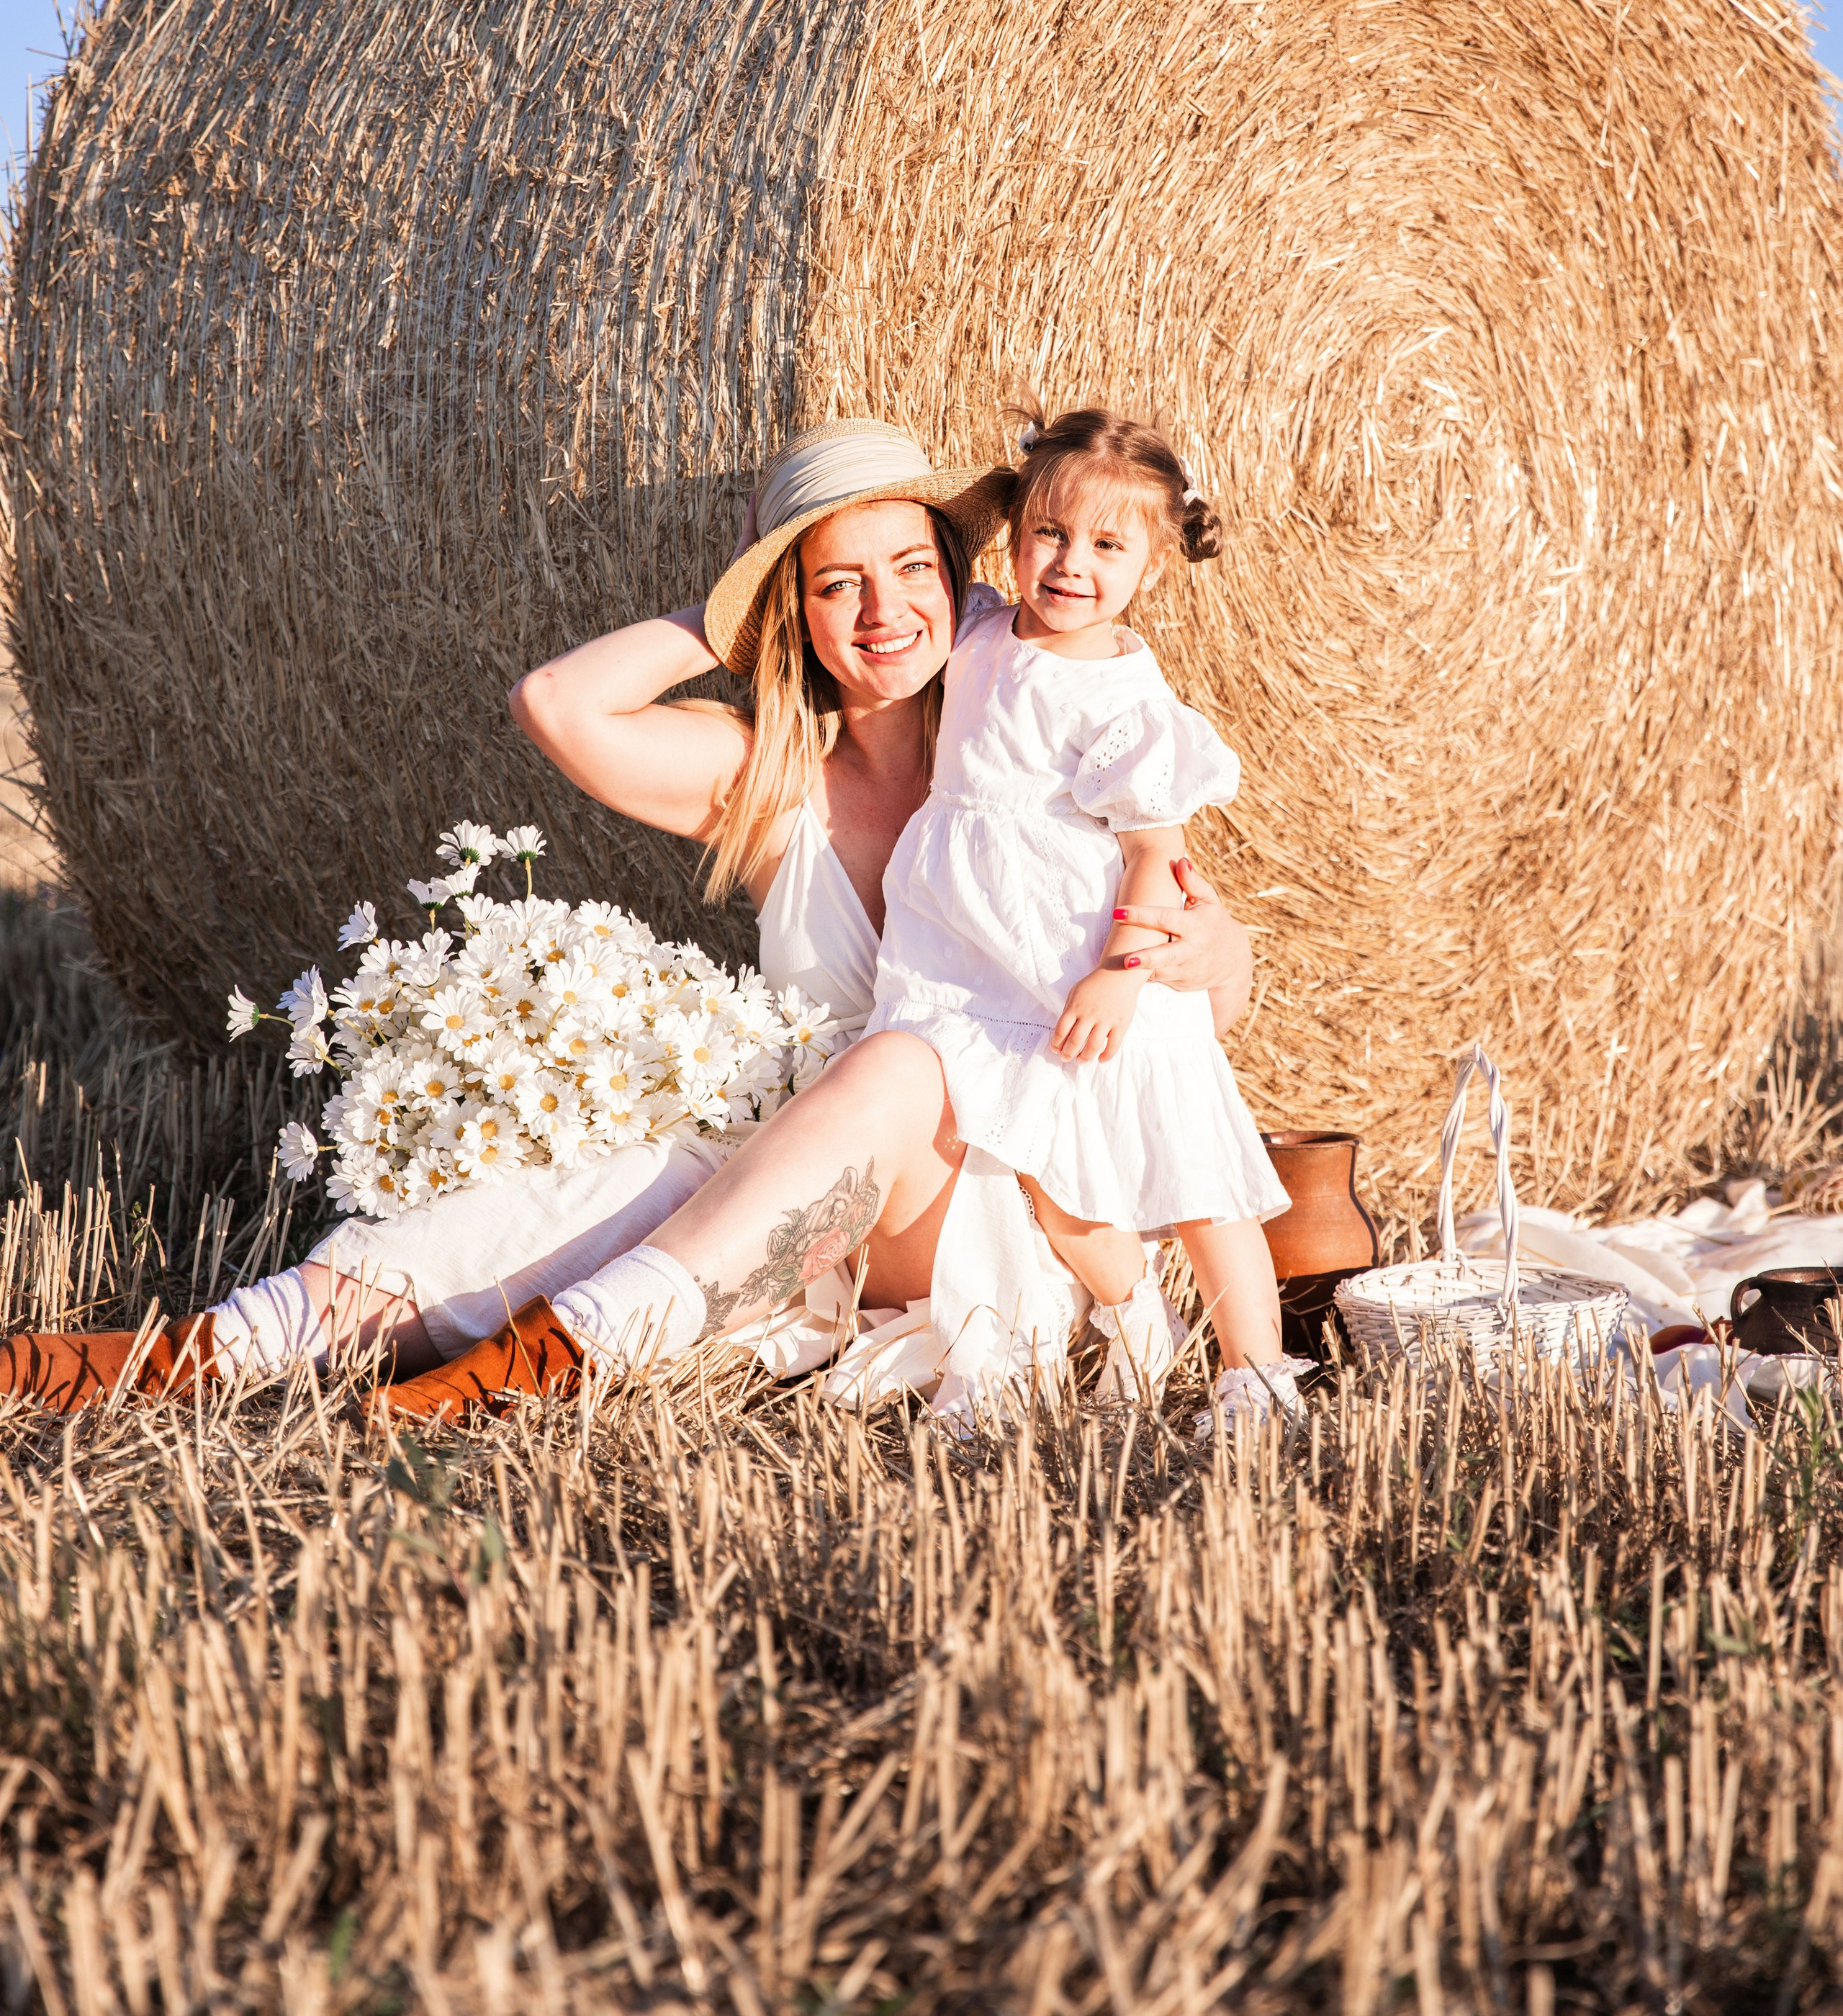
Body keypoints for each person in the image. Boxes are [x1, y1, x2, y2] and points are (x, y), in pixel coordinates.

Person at [0, 419, 1254, 1418]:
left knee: (901, 1062)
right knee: (589, 1192)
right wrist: (736, 602)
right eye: (837, 586)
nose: (883, 612)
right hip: (788, 1181)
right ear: (796, 613)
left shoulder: (1052, 760)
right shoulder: (763, 775)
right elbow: (558, 702)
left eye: (913, 570)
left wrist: (1204, 949)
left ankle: (575, 1349)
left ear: (961, 575)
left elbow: (1206, 996)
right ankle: (202, 1351)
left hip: (989, 1201)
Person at [866, 405, 1312, 1428]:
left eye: (1109, 546)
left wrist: (1120, 972)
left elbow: (1160, 855)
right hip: (981, 952)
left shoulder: (1124, 698)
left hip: (1093, 964)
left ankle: (1255, 1372)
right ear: (1015, 538)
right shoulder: (979, 626)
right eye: (1049, 535)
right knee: (1052, 1181)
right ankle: (1134, 1315)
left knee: (1196, 1179)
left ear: (1151, 568)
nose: (1071, 564)